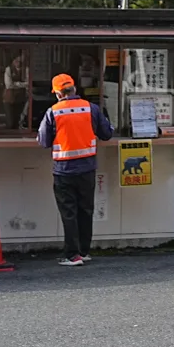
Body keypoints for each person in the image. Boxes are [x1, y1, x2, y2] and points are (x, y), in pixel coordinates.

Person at [37, 72, 113, 265]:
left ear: (58, 94)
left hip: (64, 170)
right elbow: (106, 134)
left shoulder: (53, 112)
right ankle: (84, 251)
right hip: (87, 168)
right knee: (86, 210)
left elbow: (44, 141)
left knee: (69, 213)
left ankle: (72, 254)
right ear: (74, 89)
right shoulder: (91, 108)